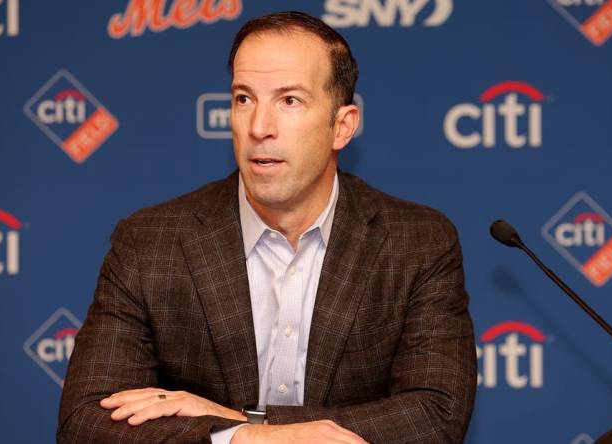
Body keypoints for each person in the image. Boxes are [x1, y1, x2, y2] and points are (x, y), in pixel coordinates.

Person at [58, 11, 476, 444]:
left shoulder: (418, 243)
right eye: (244, 99)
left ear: (342, 126)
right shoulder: (150, 242)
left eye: (289, 100)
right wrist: (239, 438)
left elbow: (434, 418)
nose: (259, 127)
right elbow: (86, 422)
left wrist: (242, 422)